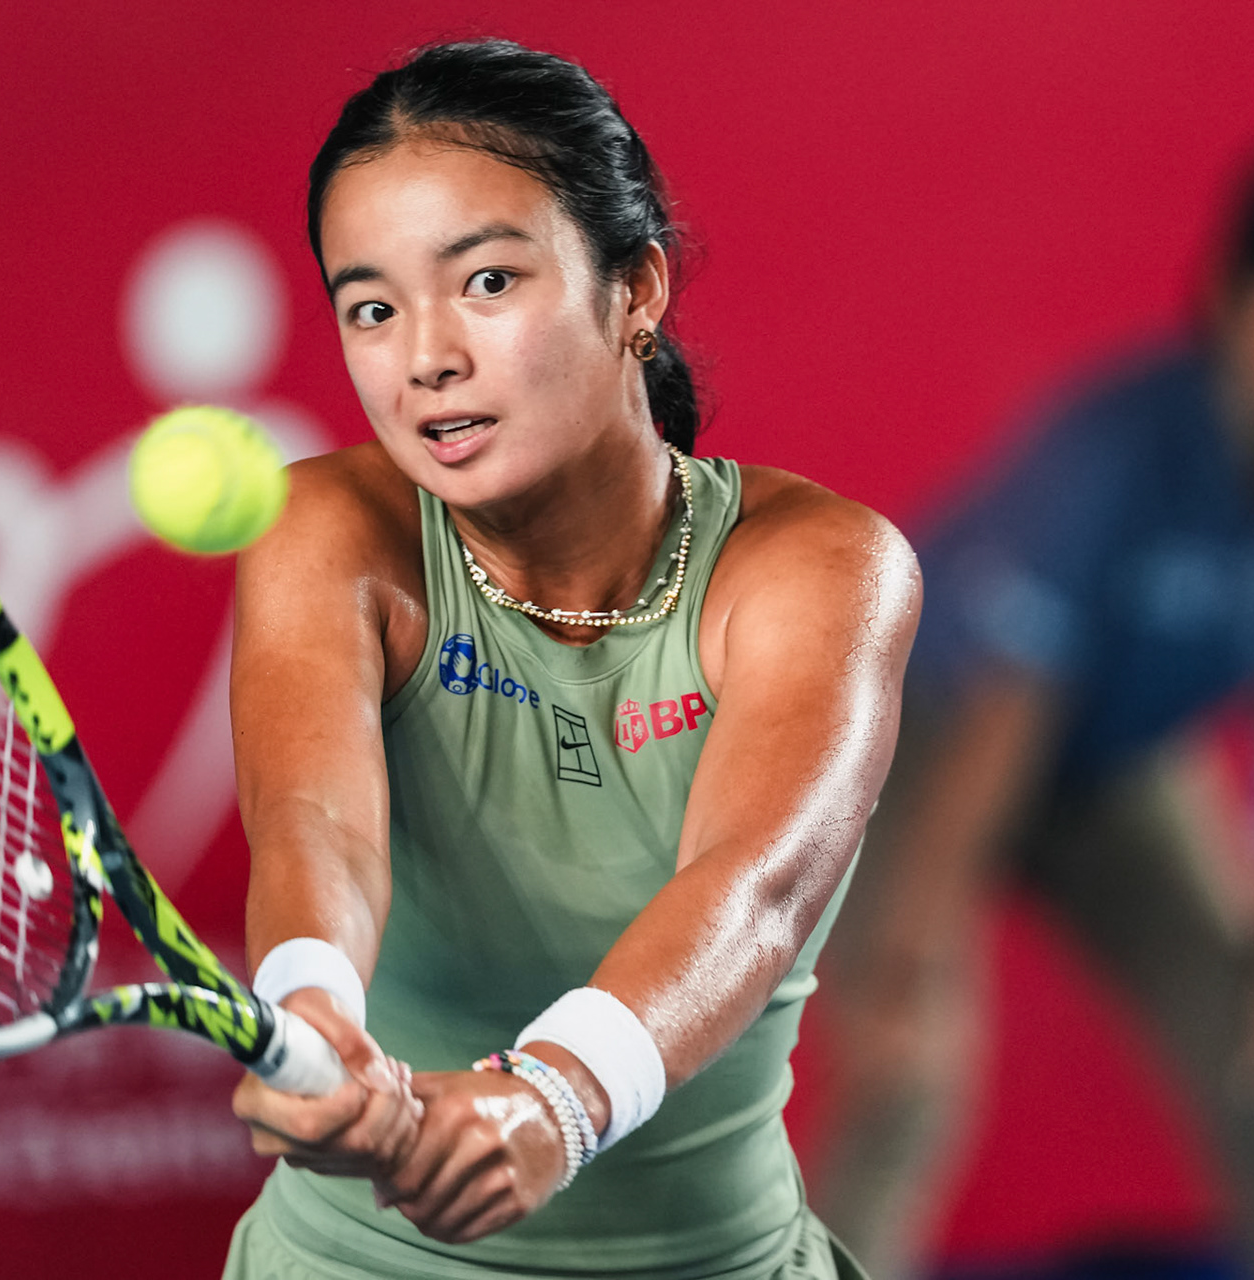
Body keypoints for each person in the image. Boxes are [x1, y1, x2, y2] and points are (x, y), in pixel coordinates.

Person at [218, 40, 918, 1280]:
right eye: (372, 308)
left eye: (486, 281)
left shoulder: (824, 567)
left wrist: (558, 1094)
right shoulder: (325, 531)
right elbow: (315, 828)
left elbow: (751, 891)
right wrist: (313, 1007)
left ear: (634, 288)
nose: (425, 356)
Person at [812, 145, 1254, 1280]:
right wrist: (908, 957)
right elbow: (1002, 711)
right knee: (909, 1067)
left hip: (1113, 761)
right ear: (1249, 301)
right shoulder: (1114, 450)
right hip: (914, 737)